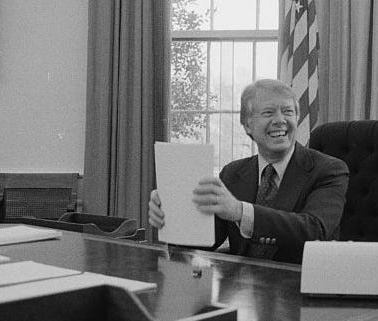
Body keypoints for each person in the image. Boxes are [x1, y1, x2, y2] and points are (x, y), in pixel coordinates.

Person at [149, 79, 349, 264]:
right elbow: (208, 240)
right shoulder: (233, 173)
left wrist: (240, 212)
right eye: (268, 113)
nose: (280, 120)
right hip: (243, 290)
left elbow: (315, 230)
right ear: (247, 126)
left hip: (301, 287)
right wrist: (173, 219)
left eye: (288, 112)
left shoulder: (328, 170)